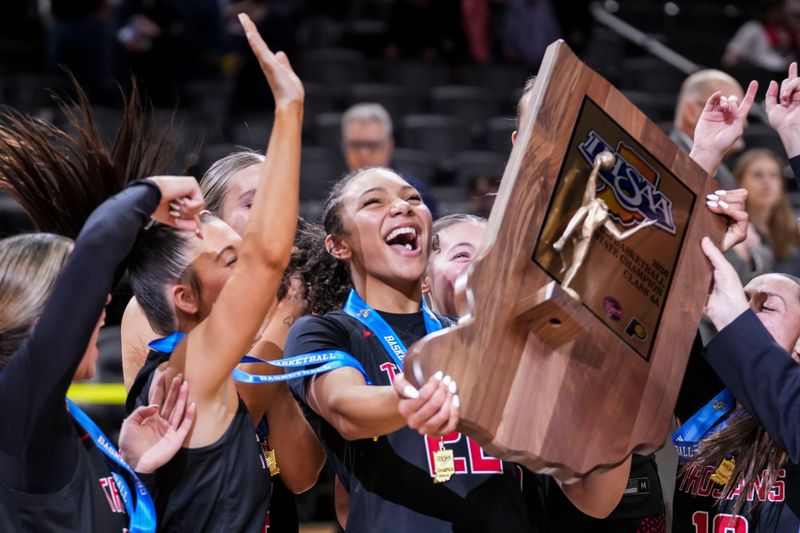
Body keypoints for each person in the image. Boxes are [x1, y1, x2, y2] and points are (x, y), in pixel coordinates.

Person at [284, 164, 632, 532]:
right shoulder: (324, 331)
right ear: (339, 245)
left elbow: (596, 500)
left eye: (413, 199)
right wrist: (421, 398)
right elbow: (346, 410)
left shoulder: (491, 347)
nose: (402, 207)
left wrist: (614, 402)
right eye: (374, 202)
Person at [123, 14, 322, 531]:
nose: (250, 252)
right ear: (184, 298)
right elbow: (269, 257)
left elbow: (300, 475)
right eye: (231, 259)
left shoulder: (195, 360)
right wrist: (288, 107)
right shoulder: (184, 365)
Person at [0, 175, 199, 531]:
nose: (105, 299)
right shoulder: (17, 411)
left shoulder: (59, 421)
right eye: (86, 299)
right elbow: (96, 250)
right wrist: (150, 192)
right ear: (44, 319)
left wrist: (136, 466)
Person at [341, 102, 440, 217]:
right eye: (355, 145)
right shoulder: (336, 196)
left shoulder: (416, 193)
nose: (364, 153)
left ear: (389, 145)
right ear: (343, 146)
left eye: (372, 145)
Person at [729, 148, 800, 281]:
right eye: (757, 175)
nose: (767, 182)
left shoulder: (794, 231)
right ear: (739, 182)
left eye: (774, 175)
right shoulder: (730, 229)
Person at [670, 69, 747, 189]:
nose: (744, 123)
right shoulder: (665, 157)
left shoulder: (725, 174)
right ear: (691, 111)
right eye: (730, 110)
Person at [723, 0, 800, 73]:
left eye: (782, 10)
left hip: (783, 71)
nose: (782, 13)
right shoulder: (752, 28)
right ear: (768, 12)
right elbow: (731, 57)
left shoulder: (787, 30)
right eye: (777, 10)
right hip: (760, 71)